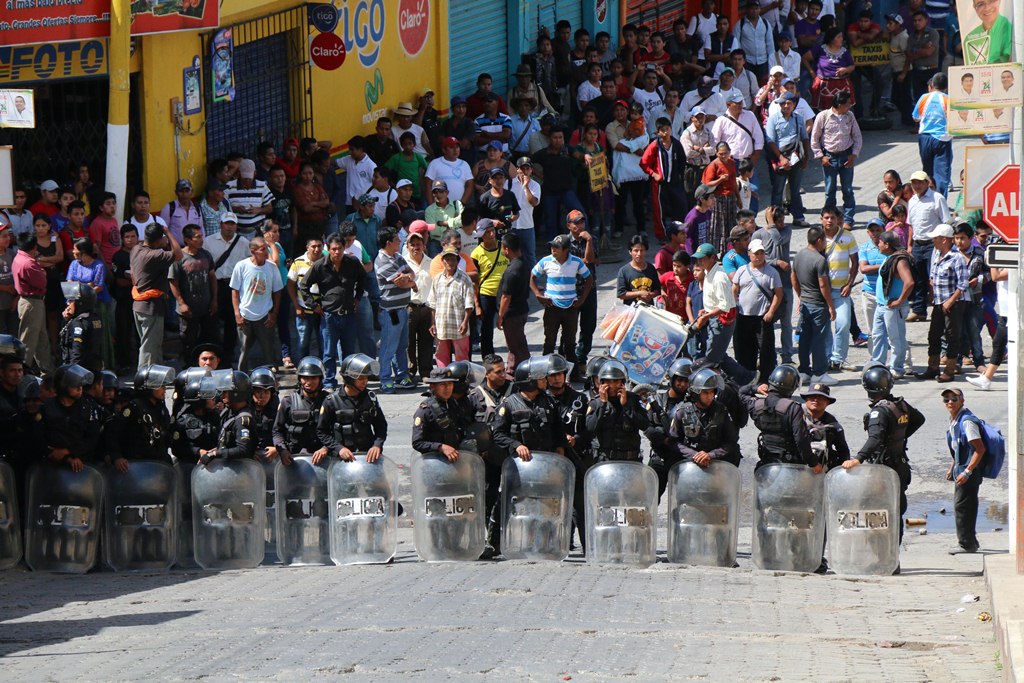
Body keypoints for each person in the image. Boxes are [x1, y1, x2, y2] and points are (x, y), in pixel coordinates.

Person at [843, 365, 925, 549]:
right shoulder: (900, 404)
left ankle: (880, 553)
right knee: (896, 511)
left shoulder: (878, 412)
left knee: (876, 510)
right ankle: (893, 555)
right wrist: (897, 437)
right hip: (900, 465)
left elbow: (875, 438)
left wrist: (858, 459)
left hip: (882, 469)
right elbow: (919, 419)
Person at [298, 234, 364, 388]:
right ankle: (329, 381)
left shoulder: (352, 262)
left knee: (349, 352)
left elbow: (363, 278)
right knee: (329, 352)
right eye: (333, 249)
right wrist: (314, 306)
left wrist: (358, 298)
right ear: (328, 249)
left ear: (344, 248)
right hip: (329, 317)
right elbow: (303, 285)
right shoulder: (320, 265)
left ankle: (349, 381)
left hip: (348, 315)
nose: (337, 252)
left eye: (340, 248)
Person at [530, 234, 593, 368]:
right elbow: (532, 277)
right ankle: (546, 371)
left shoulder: (576, 262)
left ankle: (572, 373)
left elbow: (589, 279)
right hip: (552, 307)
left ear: (566, 250)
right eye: (552, 246)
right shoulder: (546, 261)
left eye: (557, 247)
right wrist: (537, 294)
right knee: (549, 342)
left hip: (570, 307)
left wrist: (582, 299)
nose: (553, 249)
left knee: (570, 343)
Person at [740, 364, 818, 469]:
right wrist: (813, 462)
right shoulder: (793, 408)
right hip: (790, 465)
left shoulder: (757, 405)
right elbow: (800, 439)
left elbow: (741, 392)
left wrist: (756, 388)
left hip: (766, 462)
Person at [918, 224, 969, 383]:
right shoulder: (937, 255)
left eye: (936, 238)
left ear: (944, 240)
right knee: (934, 335)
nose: (933, 241)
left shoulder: (957, 257)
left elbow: (963, 284)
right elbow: (933, 277)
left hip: (953, 303)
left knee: (952, 336)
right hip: (939, 302)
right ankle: (932, 367)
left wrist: (950, 301)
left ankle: (949, 370)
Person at [316, 354, 387, 464]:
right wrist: (339, 448)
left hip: (367, 457)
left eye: (366, 378)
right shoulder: (331, 401)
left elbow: (381, 426)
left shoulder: (370, 398)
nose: (365, 382)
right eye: (361, 379)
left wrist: (377, 445)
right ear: (349, 379)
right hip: (341, 460)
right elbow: (322, 432)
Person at [131, 223, 183, 367]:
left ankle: (156, 378)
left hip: (140, 305)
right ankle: (144, 381)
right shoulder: (155, 255)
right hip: (150, 307)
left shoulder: (136, 249)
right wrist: (168, 232)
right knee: (149, 348)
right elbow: (178, 254)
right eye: (163, 238)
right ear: (159, 239)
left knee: (153, 345)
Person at [105, 365, 176, 469]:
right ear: (148, 388)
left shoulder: (161, 408)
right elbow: (112, 434)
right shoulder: (134, 408)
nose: (165, 389)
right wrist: (117, 457)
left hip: (159, 463)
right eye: (160, 386)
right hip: (137, 464)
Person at [942, 387, 986, 554]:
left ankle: (966, 544)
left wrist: (967, 472)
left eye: (954, 398)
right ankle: (971, 541)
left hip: (969, 471)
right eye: (946, 399)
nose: (950, 402)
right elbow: (959, 447)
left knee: (962, 506)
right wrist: (953, 466)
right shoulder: (955, 419)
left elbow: (979, 449)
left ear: (962, 400)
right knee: (967, 505)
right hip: (962, 469)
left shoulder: (967, 422)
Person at [374, 227, 418, 393]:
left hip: (404, 308)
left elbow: (411, 274)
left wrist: (408, 279)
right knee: (388, 346)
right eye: (397, 240)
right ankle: (385, 379)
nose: (400, 242)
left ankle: (401, 376)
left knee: (402, 345)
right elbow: (400, 283)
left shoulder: (398, 257)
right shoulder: (381, 261)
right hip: (391, 311)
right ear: (388, 243)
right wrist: (409, 281)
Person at [230, 236, 283, 371]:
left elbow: (277, 291)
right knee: (243, 351)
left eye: (267, 248)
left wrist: (274, 314)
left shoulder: (271, 267)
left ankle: (272, 381)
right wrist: (237, 314)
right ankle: (241, 379)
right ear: (253, 251)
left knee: (269, 351)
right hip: (245, 315)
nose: (267, 252)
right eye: (263, 249)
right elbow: (235, 291)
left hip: (265, 315)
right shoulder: (241, 266)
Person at [733, 239, 783, 384]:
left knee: (766, 350)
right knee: (745, 349)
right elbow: (735, 288)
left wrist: (771, 312)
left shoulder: (771, 272)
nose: (759, 256)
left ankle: (765, 380)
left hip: (762, 317)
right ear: (749, 254)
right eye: (756, 253)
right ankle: (747, 378)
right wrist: (735, 304)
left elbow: (778, 294)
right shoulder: (742, 270)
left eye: (761, 253)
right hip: (743, 317)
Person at [793, 227, 837, 385]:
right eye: (824, 240)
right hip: (818, 305)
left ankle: (804, 370)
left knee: (804, 338)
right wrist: (831, 306)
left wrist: (800, 295)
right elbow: (823, 285)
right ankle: (819, 373)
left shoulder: (799, 255)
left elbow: (794, 278)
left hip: (806, 302)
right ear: (819, 240)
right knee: (819, 339)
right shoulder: (820, 260)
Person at [581, 359, 649, 462]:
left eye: (616, 381)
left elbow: (644, 425)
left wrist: (626, 406)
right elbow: (590, 428)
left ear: (622, 383)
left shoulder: (633, 400)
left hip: (630, 460)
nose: (612, 385)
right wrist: (603, 404)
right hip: (605, 460)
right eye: (608, 381)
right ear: (602, 383)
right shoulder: (596, 403)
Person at [810, 91, 861, 228]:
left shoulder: (850, 116)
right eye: (847, 104)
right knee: (830, 190)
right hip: (830, 158)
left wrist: (854, 155)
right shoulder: (823, 116)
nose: (849, 106)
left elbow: (857, 137)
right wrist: (821, 156)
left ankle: (848, 219)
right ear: (839, 105)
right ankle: (830, 219)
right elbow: (814, 138)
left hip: (846, 157)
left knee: (848, 189)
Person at [820, 207, 858, 373]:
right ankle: (827, 358)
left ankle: (839, 358)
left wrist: (849, 284)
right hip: (822, 291)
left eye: (832, 218)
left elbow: (855, 263)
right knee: (825, 327)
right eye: (826, 217)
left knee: (843, 324)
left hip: (841, 290)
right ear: (821, 219)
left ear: (838, 219)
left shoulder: (848, 236)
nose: (829, 221)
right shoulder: (817, 238)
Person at [272, 357, 329, 467]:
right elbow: (277, 431)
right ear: (299, 379)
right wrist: (282, 450)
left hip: (323, 458)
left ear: (320, 379)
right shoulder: (288, 401)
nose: (309, 382)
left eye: (313, 378)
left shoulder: (329, 401)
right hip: (295, 457)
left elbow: (335, 432)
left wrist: (325, 448)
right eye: (305, 378)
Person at [764, 92, 810, 226]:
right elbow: (770, 141)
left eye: (788, 103)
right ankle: (776, 219)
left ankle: (798, 217)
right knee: (778, 191)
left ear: (794, 104)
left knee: (795, 190)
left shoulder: (798, 119)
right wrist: (781, 158)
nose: (785, 106)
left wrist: (806, 156)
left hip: (796, 159)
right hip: (779, 159)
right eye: (783, 103)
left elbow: (804, 138)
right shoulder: (773, 119)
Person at [640, 117, 687, 243]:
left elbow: (682, 161)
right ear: (658, 132)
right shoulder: (654, 146)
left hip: (675, 182)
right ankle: (661, 236)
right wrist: (653, 174)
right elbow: (644, 163)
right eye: (662, 130)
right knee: (659, 210)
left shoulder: (676, 144)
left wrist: (680, 176)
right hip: (659, 184)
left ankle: (679, 233)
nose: (665, 133)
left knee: (679, 207)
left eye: (667, 129)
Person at [428, 245, 475, 366]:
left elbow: (469, 303)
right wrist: (433, 323)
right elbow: (432, 303)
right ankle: (444, 380)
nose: (450, 262)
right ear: (443, 261)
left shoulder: (464, 279)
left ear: (457, 261)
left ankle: (461, 381)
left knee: (462, 355)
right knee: (441, 355)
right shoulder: (437, 279)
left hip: (459, 324)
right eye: (447, 259)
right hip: (441, 324)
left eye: (453, 259)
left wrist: (465, 322)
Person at [691, 243, 736, 364]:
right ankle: (745, 378)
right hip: (713, 317)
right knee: (718, 355)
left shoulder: (719, 277)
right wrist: (705, 310)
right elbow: (713, 300)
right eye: (698, 259)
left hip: (722, 320)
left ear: (712, 258)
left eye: (702, 258)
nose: (699, 261)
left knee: (712, 357)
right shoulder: (708, 273)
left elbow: (724, 306)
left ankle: (745, 378)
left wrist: (706, 316)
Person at [470, 219, 509, 360]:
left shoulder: (505, 247)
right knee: (487, 329)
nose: (490, 235)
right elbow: (475, 282)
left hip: (505, 294)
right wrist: (477, 305)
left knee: (510, 325)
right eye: (485, 233)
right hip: (486, 294)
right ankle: (488, 359)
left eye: (491, 231)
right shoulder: (476, 254)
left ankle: (513, 359)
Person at [953, 222, 987, 374]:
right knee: (957, 332)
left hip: (974, 298)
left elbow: (990, 274)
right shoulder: (952, 254)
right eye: (957, 238)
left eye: (963, 238)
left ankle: (979, 362)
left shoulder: (979, 253)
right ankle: (957, 361)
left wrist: (978, 280)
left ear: (970, 238)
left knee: (974, 330)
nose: (959, 242)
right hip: (957, 299)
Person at [913, 73, 953, 197]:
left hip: (925, 138)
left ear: (932, 85)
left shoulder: (924, 98)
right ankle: (940, 202)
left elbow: (916, 118)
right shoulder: (948, 99)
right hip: (942, 139)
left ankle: (926, 199)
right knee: (941, 174)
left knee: (927, 172)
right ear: (946, 87)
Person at [497, 233, 530, 370]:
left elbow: (506, 297)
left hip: (512, 314)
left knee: (517, 345)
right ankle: (513, 370)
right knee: (515, 345)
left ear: (506, 249)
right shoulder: (524, 263)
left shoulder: (512, 270)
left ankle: (524, 371)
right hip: (522, 310)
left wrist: (500, 316)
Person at [804, 27, 856, 111]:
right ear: (831, 39)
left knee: (844, 110)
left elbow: (852, 66)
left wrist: (845, 70)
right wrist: (812, 73)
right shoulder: (820, 49)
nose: (841, 39)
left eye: (842, 37)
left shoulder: (844, 52)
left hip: (842, 86)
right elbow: (805, 58)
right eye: (839, 37)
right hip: (824, 87)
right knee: (824, 113)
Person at [801, 382, 849, 472]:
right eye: (812, 397)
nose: (815, 400)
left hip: (823, 471)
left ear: (827, 402)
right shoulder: (797, 418)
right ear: (806, 400)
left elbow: (843, 450)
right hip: (798, 469)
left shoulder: (833, 424)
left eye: (820, 398)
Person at [903, 11, 940, 106]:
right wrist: (923, 49)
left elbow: (929, 52)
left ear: (926, 21)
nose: (917, 23)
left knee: (933, 100)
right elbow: (909, 55)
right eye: (915, 21)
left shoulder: (933, 33)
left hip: (931, 70)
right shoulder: (911, 36)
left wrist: (916, 51)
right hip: (917, 72)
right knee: (919, 100)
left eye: (920, 20)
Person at [616, 235, 660, 304]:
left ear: (646, 251)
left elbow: (657, 290)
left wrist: (649, 295)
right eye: (636, 251)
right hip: (631, 311)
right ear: (630, 252)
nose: (639, 254)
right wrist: (639, 293)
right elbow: (621, 294)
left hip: (649, 310)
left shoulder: (651, 268)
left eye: (642, 250)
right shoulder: (624, 271)